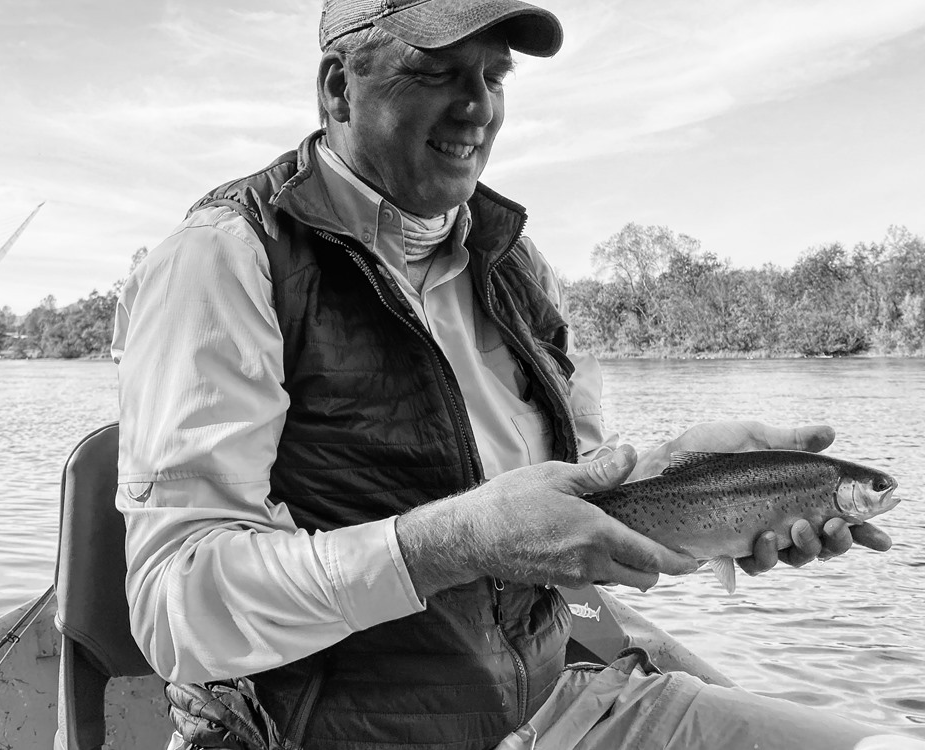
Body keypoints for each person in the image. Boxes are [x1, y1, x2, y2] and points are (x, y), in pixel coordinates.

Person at [111, 1, 910, 748]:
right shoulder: (225, 258)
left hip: (549, 705)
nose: (477, 107)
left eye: (494, 77)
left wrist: (704, 481)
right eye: (437, 71)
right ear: (337, 89)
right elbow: (177, 607)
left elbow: (580, 494)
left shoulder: (516, 262)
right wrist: (454, 544)